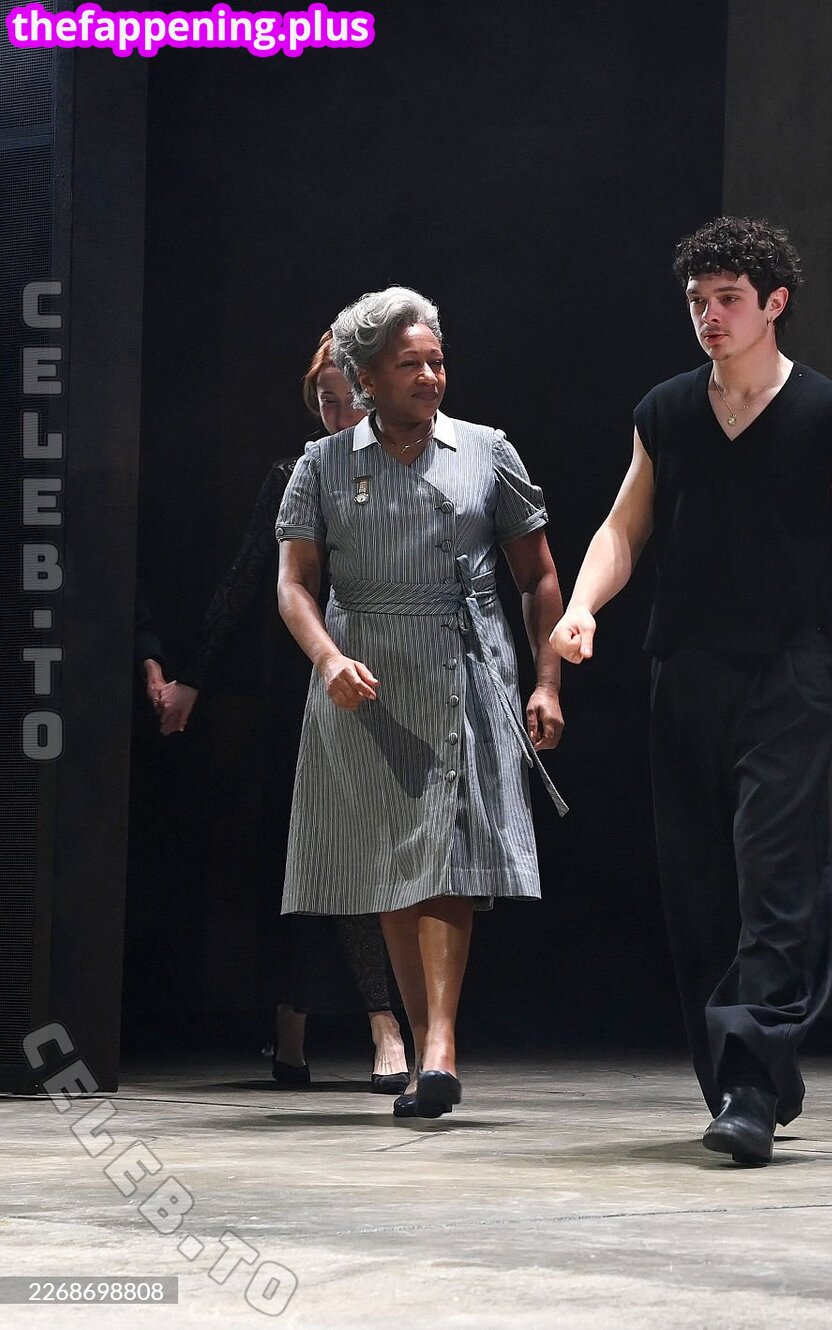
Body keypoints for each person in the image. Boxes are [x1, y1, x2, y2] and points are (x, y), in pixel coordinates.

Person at [551, 217, 832, 1163]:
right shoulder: (666, 411)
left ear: (773, 304)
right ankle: (743, 1078)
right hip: (684, 671)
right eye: (697, 302)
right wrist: (582, 606)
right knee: (700, 886)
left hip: (788, 673)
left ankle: (753, 1081)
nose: (710, 317)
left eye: (729, 301)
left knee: (775, 871)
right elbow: (624, 527)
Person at [275, 287, 567, 1119]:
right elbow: (294, 585)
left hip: (460, 669)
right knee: (391, 866)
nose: (431, 377)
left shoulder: (487, 452)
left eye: (437, 361)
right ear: (367, 377)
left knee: (445, 857)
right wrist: (328, 658)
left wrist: (547, 681)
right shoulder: (322, 465)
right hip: (363, 679)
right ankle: (421, 1038)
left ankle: (438, 1047)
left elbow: (539, 575)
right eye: (411, 365)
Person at [157, 333, 408, 1093]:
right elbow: (247, 579)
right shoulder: (296, 473)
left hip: (383, 678)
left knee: (367, 858)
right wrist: (192, 679)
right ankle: (292, 1029)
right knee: (300, 857)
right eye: (324, 402)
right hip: (302, 687)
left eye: (347, 400)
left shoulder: (403, 469)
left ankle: (385, 1023)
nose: (335, 414)